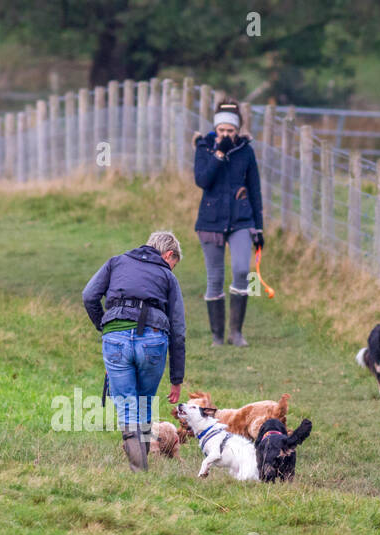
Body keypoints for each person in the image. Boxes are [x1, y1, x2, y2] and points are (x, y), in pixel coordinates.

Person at [82, 231, 186, 472]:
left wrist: (106, 325)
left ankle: (138, 469)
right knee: (144, 401)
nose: (172, 269)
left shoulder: (116, 262)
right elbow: (178, 330)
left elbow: (89, 296)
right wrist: (176, 378)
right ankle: (141, 468)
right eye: (173, 265)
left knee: (128, 405)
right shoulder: (167, 277)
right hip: (153, 340)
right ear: (168, 254)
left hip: (116, 337)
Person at [192, 99, 263, 347]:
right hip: (210, 221)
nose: (225, 134)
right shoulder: (204, 149)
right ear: (216, 129)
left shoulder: (246, 152)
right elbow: (202, 180)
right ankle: (216, 336)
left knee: (243, 270)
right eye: (221, 130)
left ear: (237, 131)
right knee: (214, 278)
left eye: (230, 131)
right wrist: (219, 155)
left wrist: (259, 227)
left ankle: (236, 332)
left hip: (241, 220)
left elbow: (255, 190)